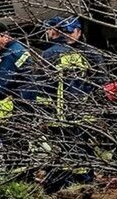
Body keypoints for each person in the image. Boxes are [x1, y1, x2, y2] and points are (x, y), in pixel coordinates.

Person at [33, 16, 104, 193]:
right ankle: (82, 185)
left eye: (70, 31)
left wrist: (42, 113)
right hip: (80, 116)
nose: (68, 35)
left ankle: (62, 187)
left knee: (64, 153)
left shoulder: (50, 54)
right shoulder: (89, 54)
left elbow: (41, 87)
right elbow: (101, 84)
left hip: (62, 116)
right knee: (80, 152)